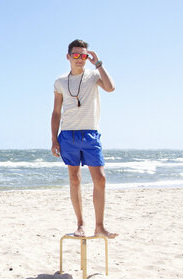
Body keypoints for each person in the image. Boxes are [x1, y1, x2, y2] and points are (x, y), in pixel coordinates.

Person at [51, 39, 118, 238]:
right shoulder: (60, 82)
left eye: (83, 55)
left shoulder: (94, 75)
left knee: (100, 179)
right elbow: (56, 112)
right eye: (76, 55)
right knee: (74, 179)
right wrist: (54, 139)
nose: (80, 59)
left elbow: (111, 87)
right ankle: (80, 224)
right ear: (68, 57)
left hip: (90, 134)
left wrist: (98, 62)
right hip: (68, 135)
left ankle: (99, 227)